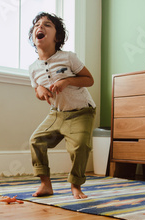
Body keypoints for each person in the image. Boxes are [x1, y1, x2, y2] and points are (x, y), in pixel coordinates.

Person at [28, 12, 96, 199]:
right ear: (34, 38)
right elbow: (37, 91)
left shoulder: (68, 57)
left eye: (47, 25)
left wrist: (67, 81)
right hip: (57, 114)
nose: (40, 27)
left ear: (57, 37)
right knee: (36, 140)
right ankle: (45, 184)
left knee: (80, 146)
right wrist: (40, 91)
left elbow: (89, 80)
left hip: (82, 111)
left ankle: (75, 185)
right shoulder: (33, 68)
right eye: (37, 25)